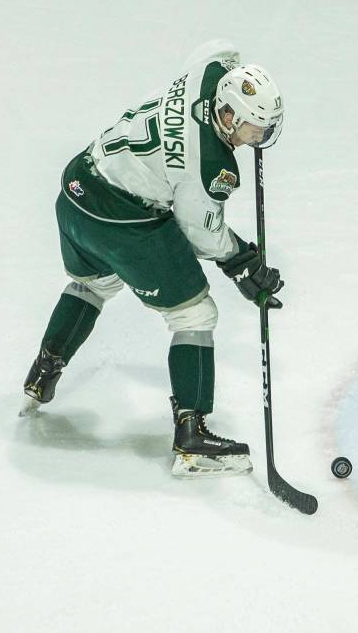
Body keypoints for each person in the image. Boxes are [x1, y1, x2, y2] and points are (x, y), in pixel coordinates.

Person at [20, 44, 286, 479]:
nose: (256, 138)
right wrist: (241, 261)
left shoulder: (208, 74)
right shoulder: (211, 165)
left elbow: (218, 49)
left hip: (76, 191)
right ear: (227, 116)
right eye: (252, 129)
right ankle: (192, 435)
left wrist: (238, 69)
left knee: (94, 285)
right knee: (195, 312)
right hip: (120, 220)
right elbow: (201, 233)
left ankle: (44, 368)